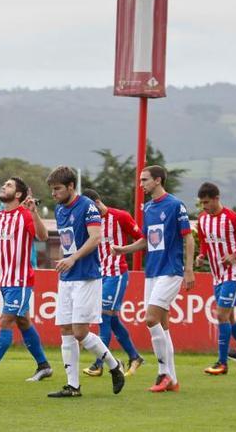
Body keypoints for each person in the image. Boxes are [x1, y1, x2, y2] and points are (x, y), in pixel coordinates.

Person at [112, 165, 195, 393]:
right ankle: (173, 380)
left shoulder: (176, 205)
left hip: (171, 271)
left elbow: (188, 238)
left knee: (150, 319)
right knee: (162, 325)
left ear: (158, 180)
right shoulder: (147, 208)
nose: (141, 184)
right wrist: (123, 250)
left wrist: (188, 269)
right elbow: (147, 240)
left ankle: (163, 373)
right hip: (153, 272)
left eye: (145, 180)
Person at [44, 167, 125, 399]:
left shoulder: (87, 206)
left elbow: (96, 238)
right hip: (67, 277)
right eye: (52, 189)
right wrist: (64, 259)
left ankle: (113, 365)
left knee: (80, 331)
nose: (54, 194)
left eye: (57, 189)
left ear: (71, 186)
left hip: (87, 276)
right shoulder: (60, 209)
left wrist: (73, 258)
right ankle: (73, 386)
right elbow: (66, 240)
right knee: (65, 330)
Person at [0, 178, 54, 382]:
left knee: (6, 321)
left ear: (19, 195)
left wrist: (35, 213)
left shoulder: (25, 215)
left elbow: (43, 236)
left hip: (20, 281)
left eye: (9, 185)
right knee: (23, 322)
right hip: (4, 281)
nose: (3, 186)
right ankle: (44, 366)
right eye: (3, 184)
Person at [194, 182, 236, 376]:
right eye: (202, 203)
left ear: (217, 198)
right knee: (230, 318)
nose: (204, 206)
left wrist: (235, 255)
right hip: (217, 275)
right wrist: (201, 255)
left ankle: (222, 363)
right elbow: (204, 242)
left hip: (234, 272)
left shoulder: (233, 218)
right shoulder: (202, 219)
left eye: (207, 202)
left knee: (221, 314)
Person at [80, 189, 145, 378]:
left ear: (98, 201)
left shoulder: (120, 217)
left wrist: (124, 250)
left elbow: (143, 239)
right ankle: (134, 356)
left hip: (116, 274)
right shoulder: (90, 222)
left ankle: (99, 363)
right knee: (113, 320)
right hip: (100, 276)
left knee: (103, 316)